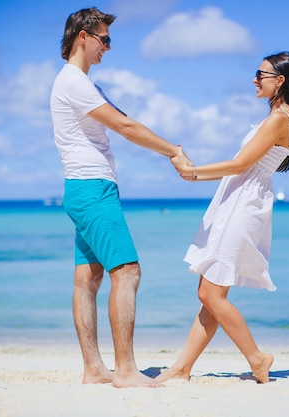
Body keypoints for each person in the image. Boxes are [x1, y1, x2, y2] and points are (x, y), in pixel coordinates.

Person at [49, 7, 190, 388]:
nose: (108, 48)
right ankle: (125, 370)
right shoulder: (74, 82)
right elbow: (126, 127)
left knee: (87, 279)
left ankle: (94, 369)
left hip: (82, 189)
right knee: (127, 272)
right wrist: (173, 152)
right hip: (93, 189)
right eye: (104, 39)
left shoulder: (85, 85)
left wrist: (167, 146)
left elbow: (123, 118)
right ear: (83, 36)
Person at [161, 51, 289, 384]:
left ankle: (257, 358)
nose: (254, 80)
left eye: (260, 75)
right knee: (211, 293)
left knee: (210, 294)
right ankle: (182, 368)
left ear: (280, 80)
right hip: (240, 202)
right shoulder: (280, 115)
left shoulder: (280, 118)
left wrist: (194, 172)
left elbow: (241, 164)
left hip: (243, 206)